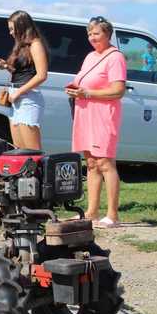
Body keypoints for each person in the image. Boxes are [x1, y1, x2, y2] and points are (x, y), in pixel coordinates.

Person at [65, 16, 127, 227]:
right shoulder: (90, 56)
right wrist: (75, 88)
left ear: (107, 34)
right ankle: (91, 212)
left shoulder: (115, 57)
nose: (92, 37)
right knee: (91, 163)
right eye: (89, 33)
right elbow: (85, 81)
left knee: (105, 163)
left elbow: (118, 90)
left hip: (103, 114)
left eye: (96, 33)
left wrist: (88, 93)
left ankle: (112, 214)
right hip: (85, 112)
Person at [0, 10, 48, 149]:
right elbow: (22, 71)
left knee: (31, 150)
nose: (10, 33)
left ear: (21, 27)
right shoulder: (21, 46)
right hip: (16, 97)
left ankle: (36, 166)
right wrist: (6, 66)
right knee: (19, 149)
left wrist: (19, 92)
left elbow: (41, 75)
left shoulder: (35, 44)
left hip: (27, 98)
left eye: (12, 29)